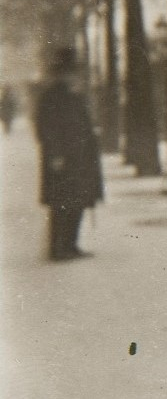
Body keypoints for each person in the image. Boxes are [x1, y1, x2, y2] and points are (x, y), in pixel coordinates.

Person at [35, 46, 103, 261]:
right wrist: (55, 154)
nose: (74, 76)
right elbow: (46, 127)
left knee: (78, 201)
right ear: (62, 73)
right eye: (71, 72)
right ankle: (57, 248)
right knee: (61, 203)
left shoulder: (74, 94)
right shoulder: (52, 95)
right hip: (63, 159)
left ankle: (71, 245)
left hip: (80, 158)